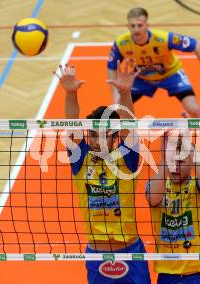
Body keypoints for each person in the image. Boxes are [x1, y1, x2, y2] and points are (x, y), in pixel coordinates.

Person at [55, 61, 151, 284]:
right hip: (97, 255)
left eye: (105, 135)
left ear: (114, 137)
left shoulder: (127, 157)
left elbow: (130, 125)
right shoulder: (80, 158)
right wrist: (70, 94)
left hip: (131, 250)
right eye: (94, 135)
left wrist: (125, 92)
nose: (99, 140)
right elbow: (71, 123)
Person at [107, 6, 200, 175]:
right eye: (133, 26)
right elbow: (111, 67)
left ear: (147, 25)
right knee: (116, 111)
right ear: (128, 26)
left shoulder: (164, 38)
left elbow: (196, 45)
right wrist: (115, 94)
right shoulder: (121, 43)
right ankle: (112, 153)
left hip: (170, 75)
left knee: (194, 109)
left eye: (140, 25)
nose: (136, 29)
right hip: (141, 79)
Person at [145, 130, 200, 283]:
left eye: (181, 162)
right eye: (172, 161)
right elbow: (153, 198)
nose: (175, 167)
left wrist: (190, 147)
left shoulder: (196, 187)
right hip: (168, 275)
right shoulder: (158, 185)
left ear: (190, 162)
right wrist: (165, 158)